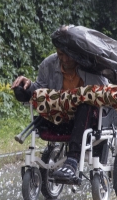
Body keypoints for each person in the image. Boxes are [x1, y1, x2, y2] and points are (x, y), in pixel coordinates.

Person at [11, 29, 108, 181]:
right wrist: (28, 86)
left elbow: (103, 93)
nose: (66, 59)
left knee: (86, 104)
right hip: (59, 118)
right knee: (32, 95)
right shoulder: (49, 64)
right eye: (61, 54)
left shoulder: (91, 66)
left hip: (86, 121)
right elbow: (41, 89)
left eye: (70, 54)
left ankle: (72, 161)